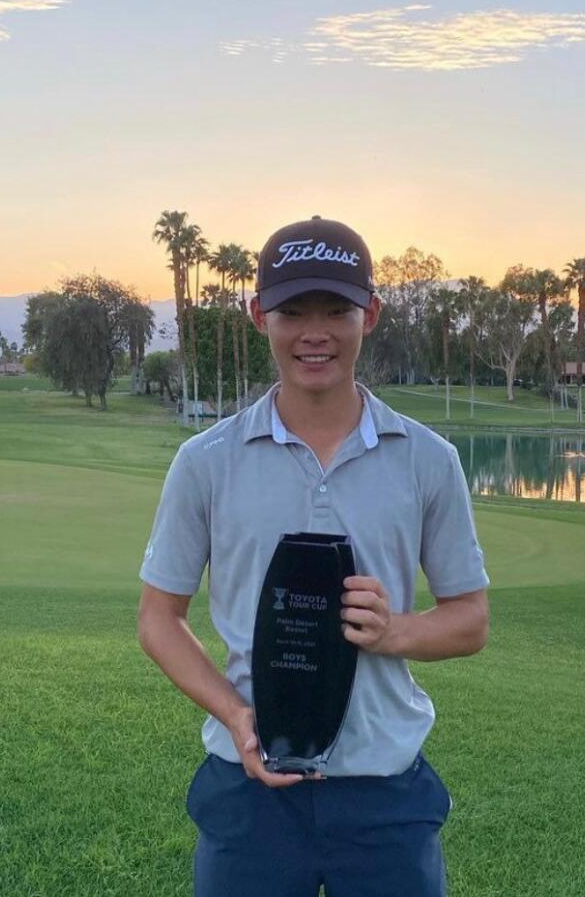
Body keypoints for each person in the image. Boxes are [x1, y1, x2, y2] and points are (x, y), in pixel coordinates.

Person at [138, 215, 490, 897]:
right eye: (293, 310)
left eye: (337, 308)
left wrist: (396, 632)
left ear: (372, 314)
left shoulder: (428, 460)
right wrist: (234, 714)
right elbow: (159, 618)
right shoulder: (205, 463)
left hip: (384, 792)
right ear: (258, 314)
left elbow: (471, 618)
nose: (315, 331)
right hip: (249, 789)